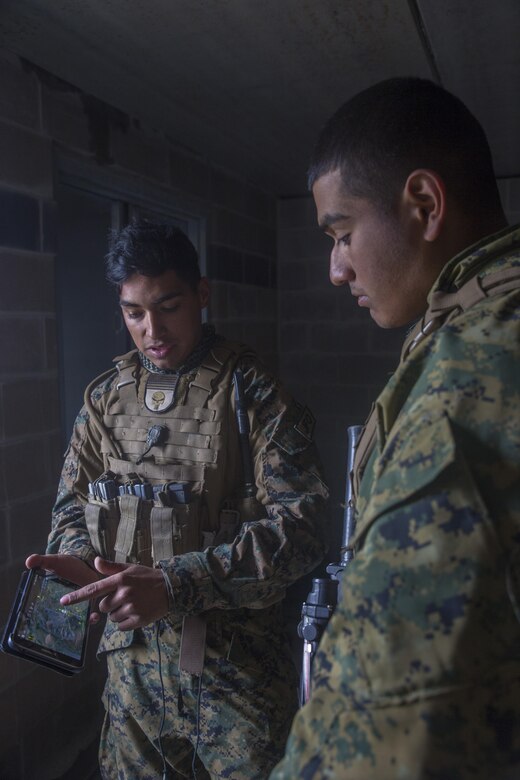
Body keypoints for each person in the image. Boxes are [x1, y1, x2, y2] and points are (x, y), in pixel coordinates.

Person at [270, 77, 520, 779]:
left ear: (423, 205)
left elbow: (386, 730)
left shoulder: (471, 375)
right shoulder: (474, 322)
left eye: (344, 233)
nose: (335, 267)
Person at [26, 221, 329, 779]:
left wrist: (174, 585)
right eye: (133, 312)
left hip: (236, 679)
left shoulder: (252, 391)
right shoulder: (104, 398)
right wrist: (81, 564)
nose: (151, 329)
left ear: (202, 294)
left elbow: (303, 528)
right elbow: (70, 505)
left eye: (168, 305)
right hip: (132, 676)